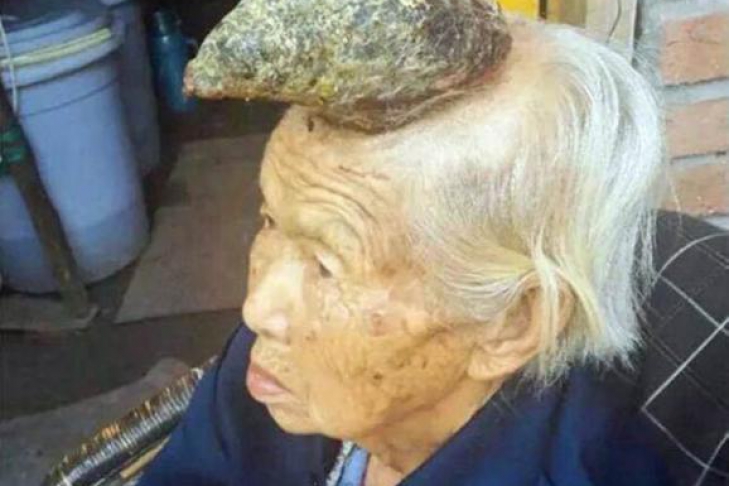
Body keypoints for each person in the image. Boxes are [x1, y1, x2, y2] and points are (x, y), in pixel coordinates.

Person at [138, 5, 728, 486]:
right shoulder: (276, 367)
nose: (257, 308)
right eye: (271, 219)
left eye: (326, 265)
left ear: (510, 324)